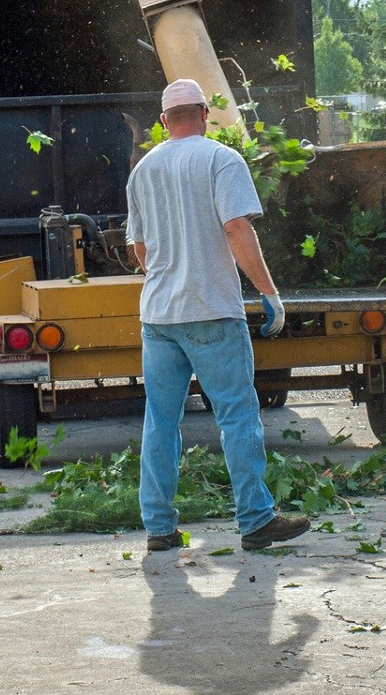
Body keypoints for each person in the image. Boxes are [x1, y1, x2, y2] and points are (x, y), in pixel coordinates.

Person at [125, 78, 310, 552]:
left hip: (159, 317)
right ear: (205, 114)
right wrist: (269, 293)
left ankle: (160, 528)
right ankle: (255, 519)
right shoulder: (221, 159)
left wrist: (170, 272)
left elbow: (140, 249)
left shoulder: (142, 170)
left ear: (165, 121)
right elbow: (235, 227)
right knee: (236, 415)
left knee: (160, 423)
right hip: (211, 310)